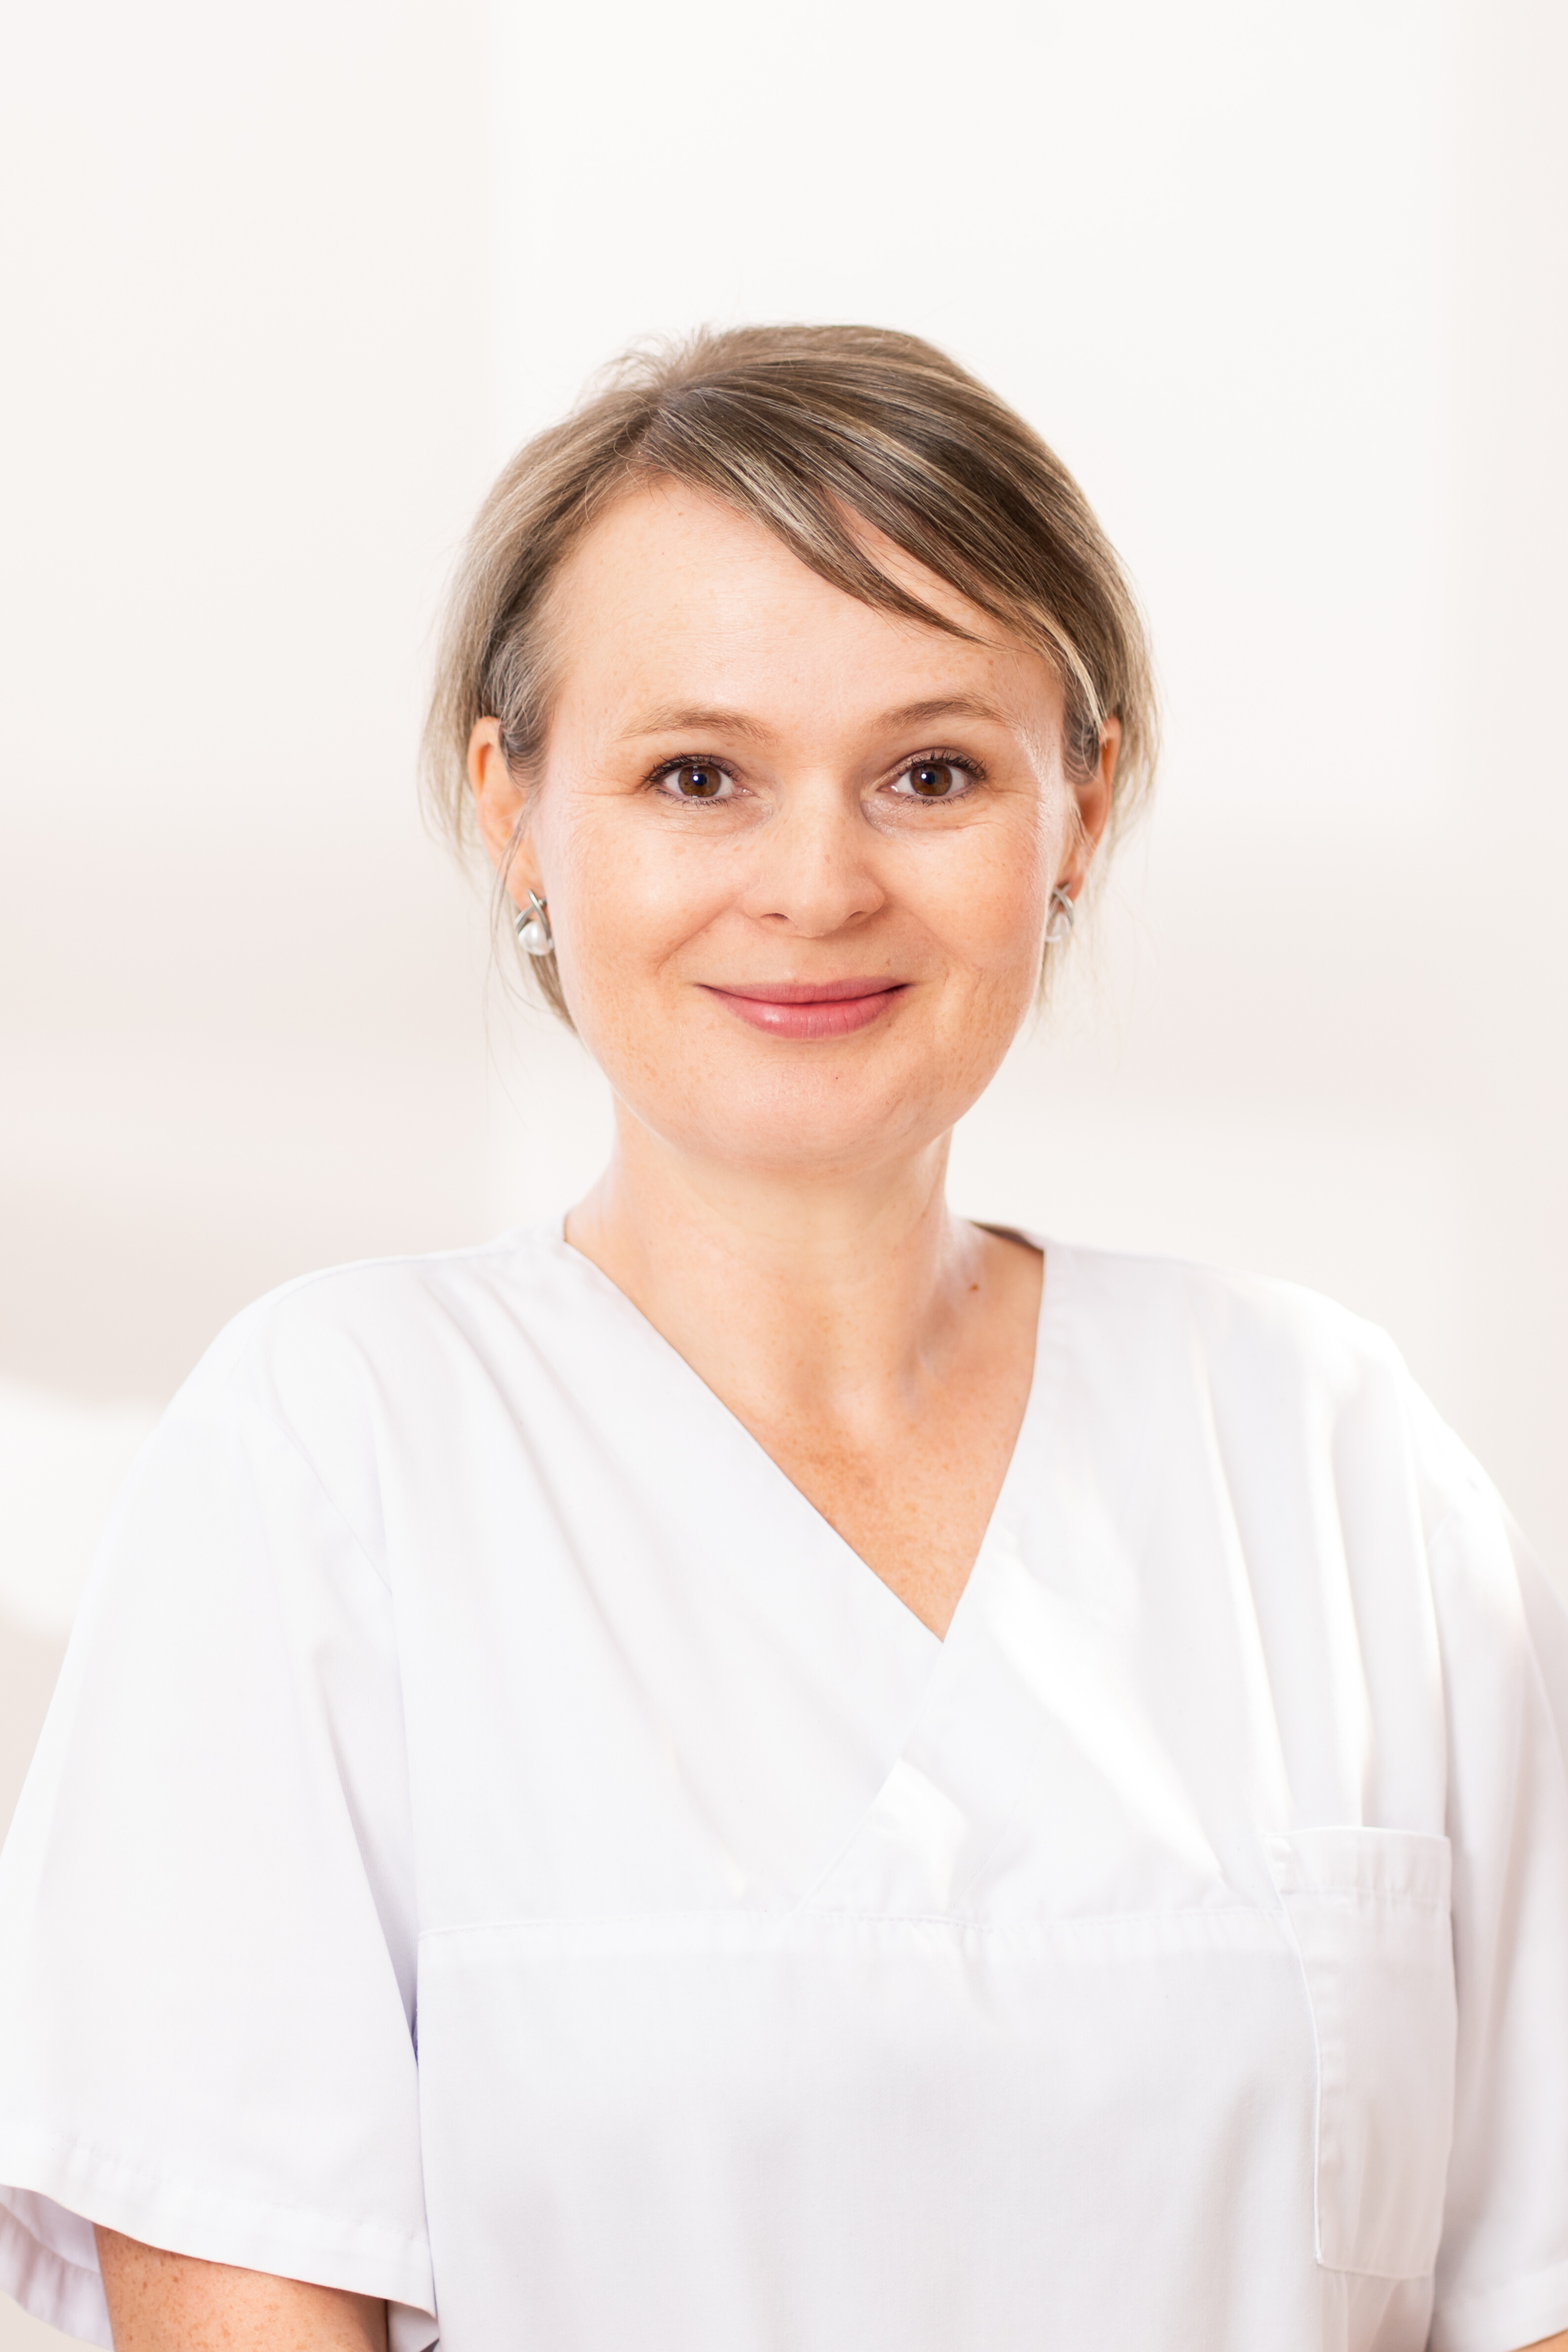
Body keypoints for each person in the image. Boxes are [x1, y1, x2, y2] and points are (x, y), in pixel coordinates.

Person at [0, 324, 1565, 2352]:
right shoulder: (328, 1455)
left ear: (1072, 808)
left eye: (929, 771)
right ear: (515, 810)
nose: (814, 883)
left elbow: (1524, 2276)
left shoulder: (1330, 1457)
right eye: (693, 774)